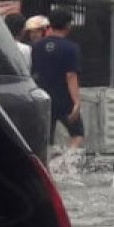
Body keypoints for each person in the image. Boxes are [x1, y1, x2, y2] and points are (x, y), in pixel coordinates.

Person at [32, 8, 83, 150]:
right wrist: (76, 101)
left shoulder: (36, 47)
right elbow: (71, 75)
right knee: (77, 134)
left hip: (43, 97)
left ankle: (48, 165)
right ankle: (64, 164)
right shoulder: (71, 48)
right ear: (67, 25)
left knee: (47, 138)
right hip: (64, 99)